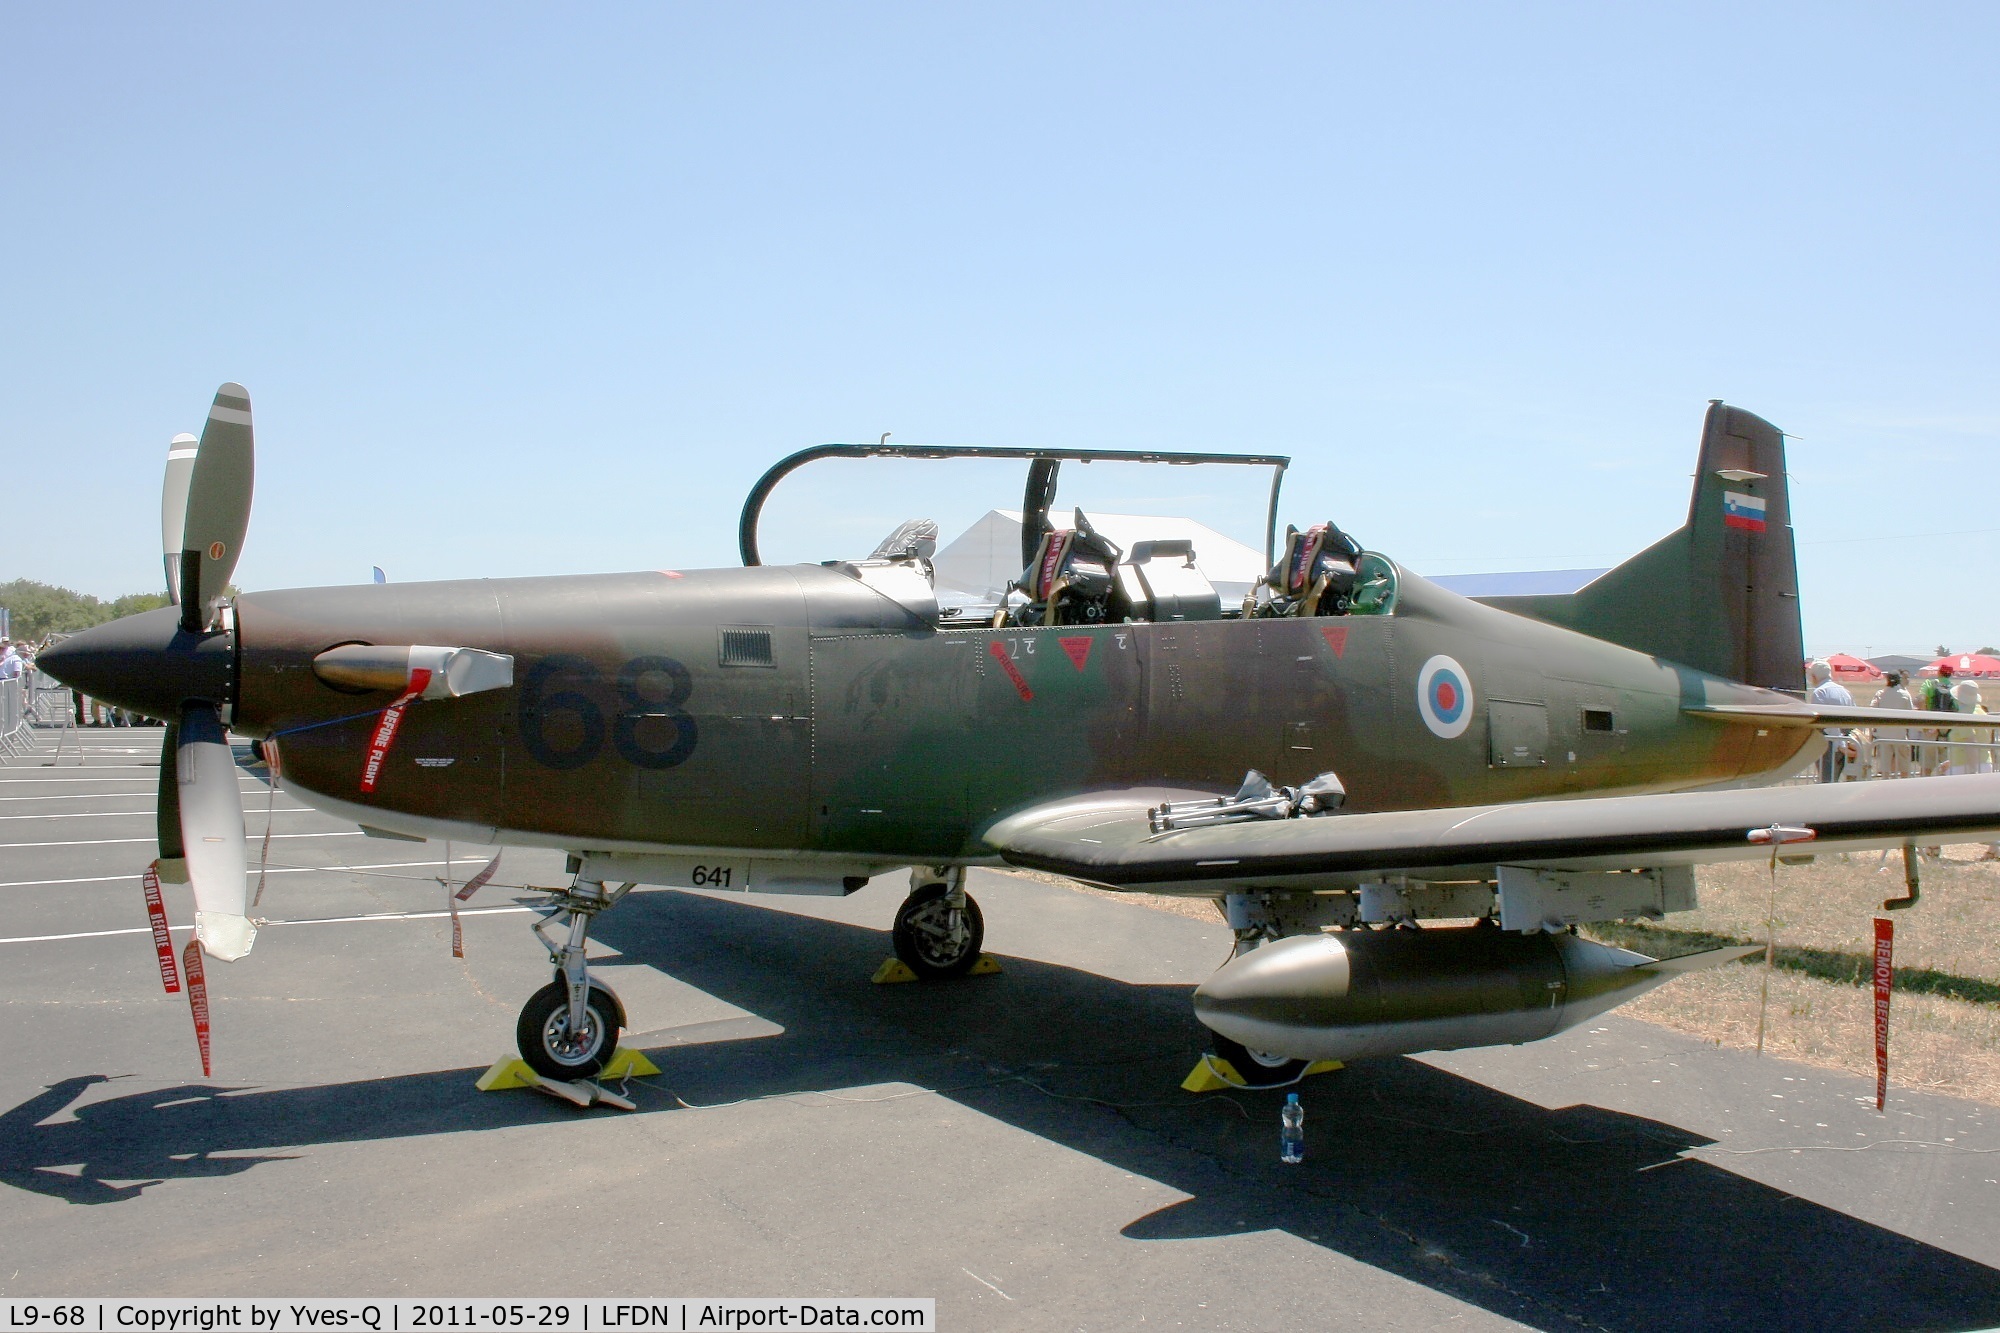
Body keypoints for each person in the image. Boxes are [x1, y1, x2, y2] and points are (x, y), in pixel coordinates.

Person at [1808, 659, 1853, 783]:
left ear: (1814, 676)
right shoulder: (1845, 692)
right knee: (1835, 779)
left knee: (1826, 781)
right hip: (1844, 741)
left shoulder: (1819, 692)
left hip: (1827, 742)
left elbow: (1819, 720)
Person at [1873, 670, 1916, 777]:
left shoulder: (1880, 694)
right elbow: (1910, 714)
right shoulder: (1905, 694)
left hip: (1883, 736)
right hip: (1900, 736)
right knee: (1904, 767)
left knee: (1885, 768)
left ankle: (1885, 787)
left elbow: (1873, 710)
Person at [1921, 662, 1960, 775]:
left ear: (1939, 672)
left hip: (1931, 729)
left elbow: (1921, 700)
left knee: (1927, 764)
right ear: (1950, 674)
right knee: (1946, 766)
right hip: (1949, 731)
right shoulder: (1955, 689)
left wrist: (1925, 721)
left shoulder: (1929, 684)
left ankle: (1924, 787)